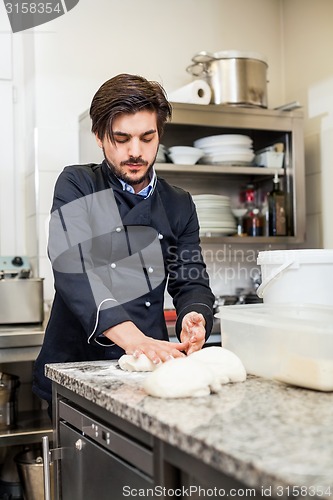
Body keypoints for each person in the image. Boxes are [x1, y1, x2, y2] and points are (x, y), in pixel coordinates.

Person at [32, 73, 215, 411]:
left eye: (148, 138)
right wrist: (134, 339)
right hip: (77, 364)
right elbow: (72, 268)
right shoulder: (79, 183)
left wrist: (195, 314)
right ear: (100, 137)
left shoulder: (178, 203)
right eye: (121, 138)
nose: (136, 152)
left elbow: (190, 278)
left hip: (147, 371)